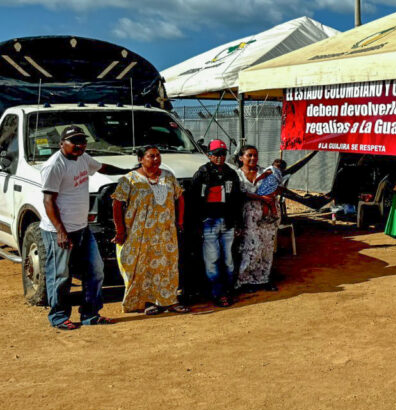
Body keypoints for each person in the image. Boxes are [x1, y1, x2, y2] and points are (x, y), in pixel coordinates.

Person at [39, 126, 128, 330]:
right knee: (61, 275)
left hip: (82, 228)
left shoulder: (83, 157)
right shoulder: (54, 166)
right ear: (62, 144)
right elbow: (48, 201)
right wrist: (61, 231)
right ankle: (59, 317)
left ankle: (90, 314)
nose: (80, 145)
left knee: (95, 270)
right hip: (58, 231)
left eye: (82, 141)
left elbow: (102, 167)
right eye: (74, 141)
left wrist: (128, 172)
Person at [111, 145, 188, 315]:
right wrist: (120, 230)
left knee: (167, 266)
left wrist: (180, 221)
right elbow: (117, 204)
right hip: (140, 233)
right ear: (140, 159)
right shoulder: (129, 179)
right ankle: (147, 301)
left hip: (165, 232)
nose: (156, 159)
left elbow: (179, 197)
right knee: (141, 267)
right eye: (151, 156)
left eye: (158, 156)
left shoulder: (168, 177)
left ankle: (169, 300)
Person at [190, 139, 243, 307]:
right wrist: (197, 223)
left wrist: (238, 222)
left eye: (223, 154)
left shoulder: (231, 173)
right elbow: (193, 201)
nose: (220, 157)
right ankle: (216, 292)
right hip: (209, 222)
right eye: (216, 154)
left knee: (228, 259)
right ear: (209, 155)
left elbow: (236, 199)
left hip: (227, 222)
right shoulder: (202, 173)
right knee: (212, 259)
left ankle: (228, 289)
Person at [235, 145, 280, 292]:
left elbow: (274, 189)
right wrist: (260, 197)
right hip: (249, 215)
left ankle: (263, 279)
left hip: (268, 214)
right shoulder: (236, 175)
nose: (253, 158)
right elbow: (239, 194)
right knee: (251, 247)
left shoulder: (266, 173)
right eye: (249, 155)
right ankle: (244, 280)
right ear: (241, 158)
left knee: (267, 247)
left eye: (255, 155)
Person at [254, 159, 288, 223]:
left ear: (273, 164)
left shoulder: (272, 170)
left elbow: (264, 175)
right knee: (271, 203)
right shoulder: (279, 174)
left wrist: (257, 179)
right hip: (273, 190)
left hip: (266, 189)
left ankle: (265, 217)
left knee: (265, 202)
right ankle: (274, 214)